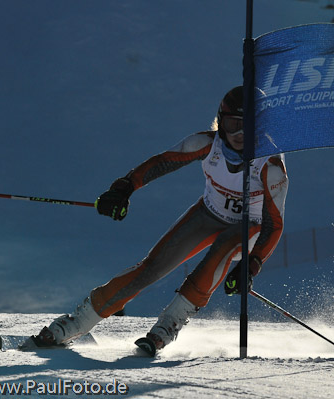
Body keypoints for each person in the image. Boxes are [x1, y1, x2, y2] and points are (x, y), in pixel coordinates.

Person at [32, 86, 289, 352]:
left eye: (248, 126)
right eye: (233, 125)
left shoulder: (270, 167)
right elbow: (162, 163)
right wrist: (124, 187)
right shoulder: (207, 144)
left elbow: (274, 225)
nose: (239, 135)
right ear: (220, 122)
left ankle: (167, 327)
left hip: (250, 229)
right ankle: (76, 324)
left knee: (223, 247)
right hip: (208, 214)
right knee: (151, 268)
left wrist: (252, 263)